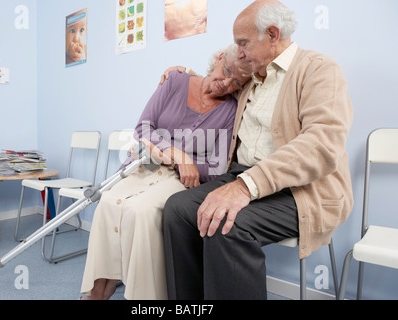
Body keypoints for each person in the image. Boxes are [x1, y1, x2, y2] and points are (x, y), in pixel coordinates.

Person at [162, 0, 354, 300]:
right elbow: (220, 79)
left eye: (243, 43)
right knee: (179, 209)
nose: (238, 52)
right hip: (243, 176)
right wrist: (183, 74)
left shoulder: (319, 69)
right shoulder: (252, 78)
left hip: (300, 190)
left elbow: (322, 145)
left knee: (228, 224)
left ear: (273, 34)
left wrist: (245, 187)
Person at [80, 44, 251, 300]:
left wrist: (180, 164)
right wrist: (180, 157)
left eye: (236, 82)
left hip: (179, 181)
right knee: (109, 202)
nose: (225, 82)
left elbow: (217, 169)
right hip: (144, 164)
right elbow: (143, 129)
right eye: (226, 71)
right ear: (218, 59)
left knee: (141, 211)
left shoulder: (229, 111)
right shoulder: (175, 80)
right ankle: (97, 292)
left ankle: (144, 298)